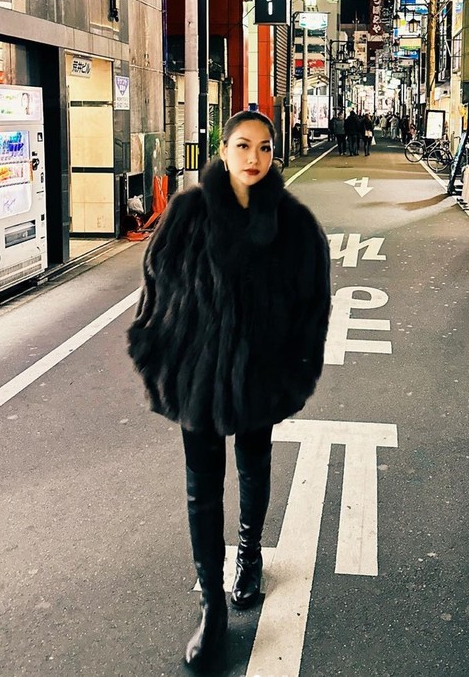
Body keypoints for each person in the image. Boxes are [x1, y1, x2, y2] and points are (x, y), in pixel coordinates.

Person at [127, 110, 331, 669]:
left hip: (260, 376)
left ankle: (249, 556)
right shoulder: (189, 212)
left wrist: (295, 371)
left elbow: (314, 306)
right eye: (243, 146)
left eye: (264, 148)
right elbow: (154, 285)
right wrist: (157, 354)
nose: (253, 158)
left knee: (253, 464)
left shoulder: (293, 225)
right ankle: (211, 604)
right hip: (197, 377)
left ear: (273, 155)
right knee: (201, 487)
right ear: (223, 150)